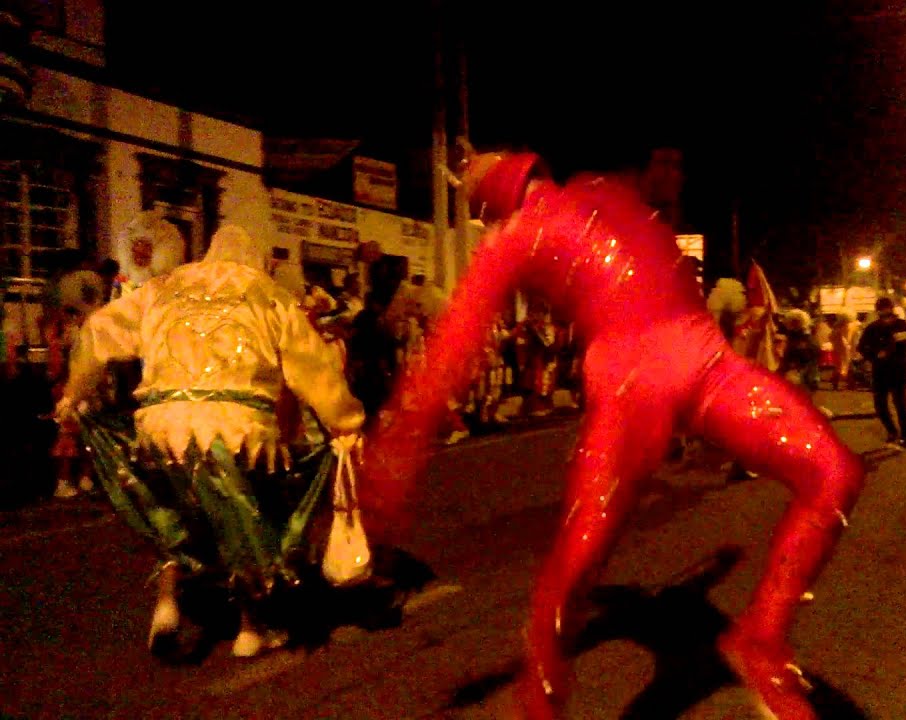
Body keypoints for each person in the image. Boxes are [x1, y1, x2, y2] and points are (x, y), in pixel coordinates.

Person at [362, 152, 865, 720]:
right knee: (580, 558)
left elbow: (451, 348)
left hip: (708, 363)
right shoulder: (514, 236)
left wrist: (396, 447)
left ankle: (760, 638)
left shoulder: (600, 189)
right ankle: (540, 697)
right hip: (636, 387)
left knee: (833, 471)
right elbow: (454, 344)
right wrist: (397, 448)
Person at [55, 226, 366, 658]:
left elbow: (99, 331)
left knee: (177, 512)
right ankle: (251, 627)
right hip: (237, 428)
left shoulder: (166, 286)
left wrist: (74, 393)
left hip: (161, 425)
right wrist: (345, 420)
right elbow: (310, 365)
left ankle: (166, 603)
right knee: (251, 515)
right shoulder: (268, 293)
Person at [857, 298, 906, 450]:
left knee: (900, 404)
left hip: (897, 369)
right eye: (881, 308)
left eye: (886, 308)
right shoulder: (873, 327)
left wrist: (901, 342)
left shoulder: (901, 324)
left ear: (891, 308)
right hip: (880, 370)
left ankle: (905, 438)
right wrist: (874, 355)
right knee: (880, 405)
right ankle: (892, 430)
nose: (884, 311)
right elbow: (861, 346)